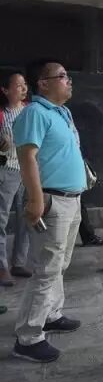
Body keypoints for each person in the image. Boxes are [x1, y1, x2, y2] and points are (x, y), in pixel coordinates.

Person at [11, 59, 86, 363]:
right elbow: (27, 157)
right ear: (43, 84)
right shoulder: (35, 113)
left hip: (72, 199)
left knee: (59, 264)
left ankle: (51, 314)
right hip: (51, 200)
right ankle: (28, 337)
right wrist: (35, 199)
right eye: (62, 76)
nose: (69, 80)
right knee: (46, 269)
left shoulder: (61, 112)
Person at [0, 69, 30, 286]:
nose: (23, 88)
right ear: (5, 90)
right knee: (1, 220)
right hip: (7, 171)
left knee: (26, 218)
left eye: (24, 84)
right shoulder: (1, 114)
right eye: (18, 85)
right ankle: (2, 268)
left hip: (29, 171)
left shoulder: (30, 111)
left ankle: (19, 262)